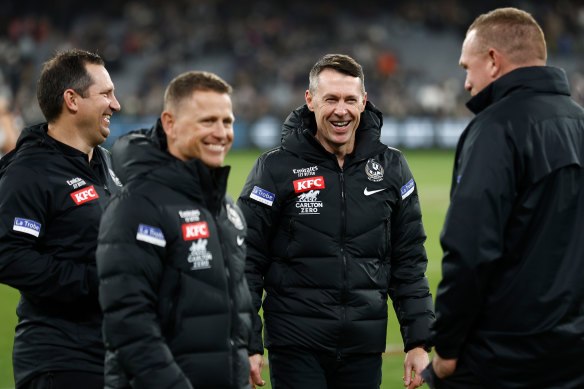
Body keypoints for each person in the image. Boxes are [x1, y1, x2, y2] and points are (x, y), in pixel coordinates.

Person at [237, 54, 434, 389]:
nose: (341, 110)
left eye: (349, 100)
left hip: (363, 347)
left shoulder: (393, 167)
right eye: (330, 99)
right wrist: (248, 341)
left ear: (364, 102)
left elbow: (409, 262)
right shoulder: (274, 169)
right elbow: (245, 261)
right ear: (310, 101)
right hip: (295, 346)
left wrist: (417, 341)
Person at [421, 7, 584, 389]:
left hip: (503, 358)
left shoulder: (496, 128)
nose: (465, 82)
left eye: (467, 67)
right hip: (573, 354)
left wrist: (446, 350)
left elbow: (470, 251)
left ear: (493, 61)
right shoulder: (580, 123)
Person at [96, 70, 256, 389]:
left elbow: (234, 313)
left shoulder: (225, 209)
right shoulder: (137, 206)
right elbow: (130, 327)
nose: (221, 132)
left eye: (227, 121)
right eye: (207, 121)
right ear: (169, 123)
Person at [0, 49, 122, 388]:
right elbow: (10, 256)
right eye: (106, 94)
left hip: (115, 354)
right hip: (61, 359)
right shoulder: (28, 172)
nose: (116, 104)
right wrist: (96, 282)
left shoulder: (107, 163)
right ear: (72, 100)